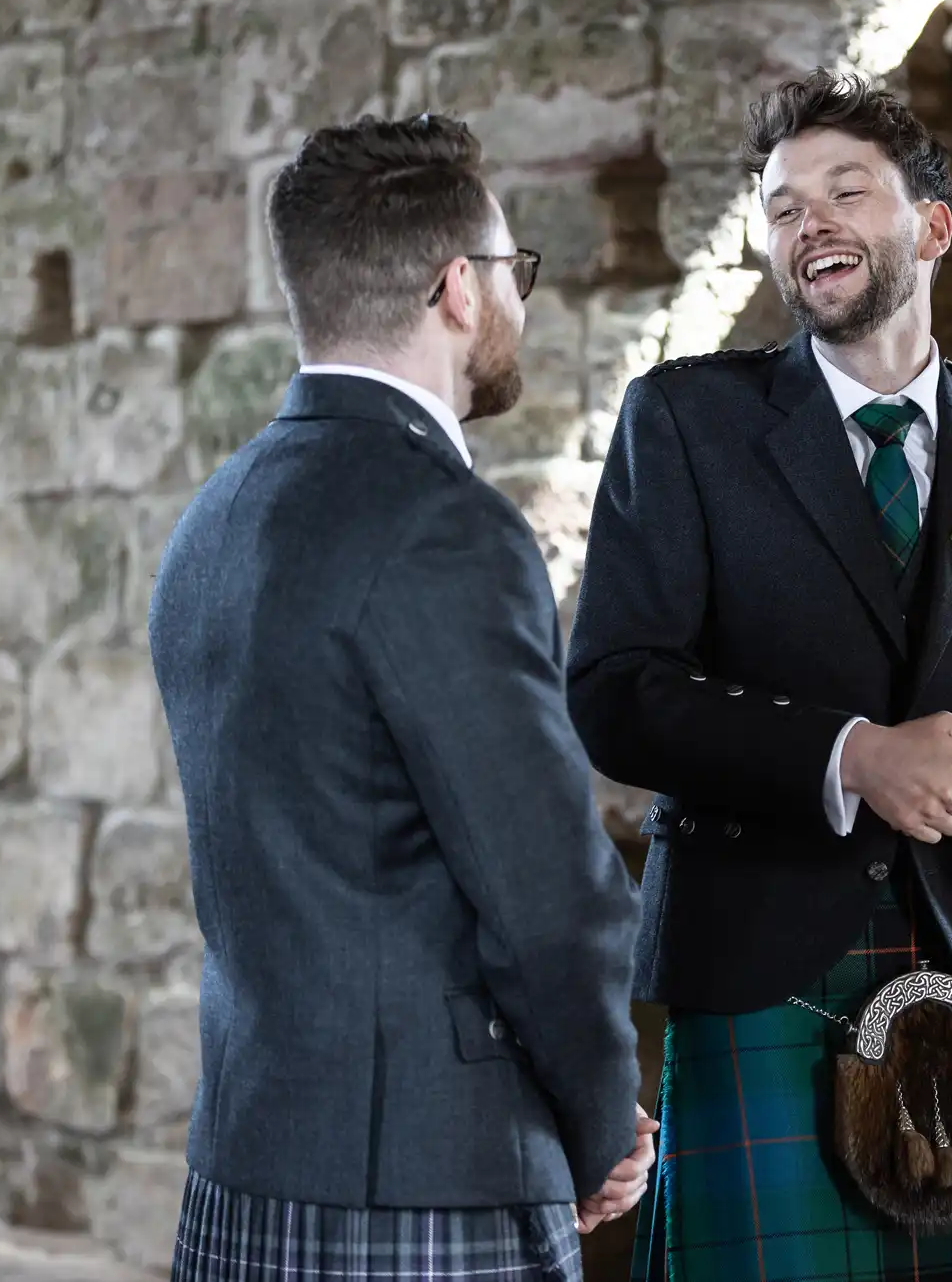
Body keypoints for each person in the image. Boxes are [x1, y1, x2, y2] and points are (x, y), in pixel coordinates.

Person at [566, 70, 952, 1280]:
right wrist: (851, 755)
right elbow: (613, 687)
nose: (809, 224)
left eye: (843, 191)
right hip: (755, 962)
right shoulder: (687, 422)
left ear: (930, 226)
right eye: (782, 207)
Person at [148, 113, 655, 1282]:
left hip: (245, 1162)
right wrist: (599, 1127)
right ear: (457, 288)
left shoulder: (211, 523)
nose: (517, 300)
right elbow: (545, 896)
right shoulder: (443, 528)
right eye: (511, 270)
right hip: (429, 1184)